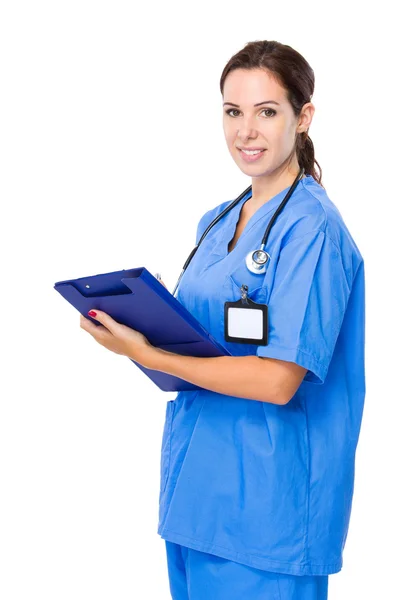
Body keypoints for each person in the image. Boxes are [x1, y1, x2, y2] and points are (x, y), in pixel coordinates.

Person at [80, 40, 366, 600]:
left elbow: (279, 381)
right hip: (196, 496)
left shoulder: (313, 230)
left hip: (270, 514)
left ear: (302, 118)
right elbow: (206, 349)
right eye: (233, 112)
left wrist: (146, 352)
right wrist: (149, 323)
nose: (246, 131)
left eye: (267, 111)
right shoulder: (218, 221)